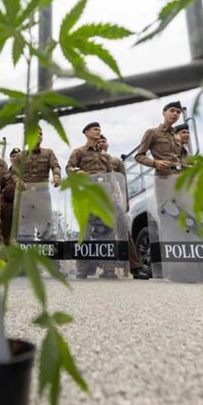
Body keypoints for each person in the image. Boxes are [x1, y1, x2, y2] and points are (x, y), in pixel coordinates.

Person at [66, 122, 118, 279]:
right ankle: (82, 269)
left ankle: (109, 269)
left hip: (104, 194)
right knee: (86, 231)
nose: (98, 131)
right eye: (95, 129)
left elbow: (111, 174)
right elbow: (68, 168)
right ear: (86, 132)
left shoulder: (105, 155)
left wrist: (115, 192)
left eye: (99, 129)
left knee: (108, 230)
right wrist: (77, 171)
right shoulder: (79, 152)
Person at [98, 135, 150, 280]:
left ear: (107, 144)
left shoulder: (116, 161)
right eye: (99, 141)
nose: (101, 143)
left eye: (104, 141)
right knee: (102, 233)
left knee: (124, 232)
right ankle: (107, 269)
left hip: (113, 202)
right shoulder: (90, 159)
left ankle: (135, 267)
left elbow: (123, 182)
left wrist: (125, 201)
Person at [15, 128, 61, 241]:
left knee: (46, 223)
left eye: (41, 134)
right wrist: (17, 180)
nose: (39, 136)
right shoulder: (20, 156)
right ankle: (24, 249)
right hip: (25, 192)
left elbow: (55, 166)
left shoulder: (48, 153)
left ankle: (50, 251)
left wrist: (56, 176)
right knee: (24, 224)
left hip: (42, 191)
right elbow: (13, 173)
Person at [135, 101, 184, 174]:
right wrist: (155, 163)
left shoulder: (177, 137)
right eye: (172, 110)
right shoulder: (152, 132)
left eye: (178, 112)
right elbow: (139, 156)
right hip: (164, 177)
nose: (175, 113)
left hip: (180, 175)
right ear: (164, 113)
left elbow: (180, 160)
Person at [1, 148, 20, 245]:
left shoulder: (26, 171)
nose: (15, 158)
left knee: (19, 233)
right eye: (13, 156)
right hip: (7, 205)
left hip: (20, 205)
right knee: (5, 231)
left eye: (17, 156)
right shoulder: (6, 172)